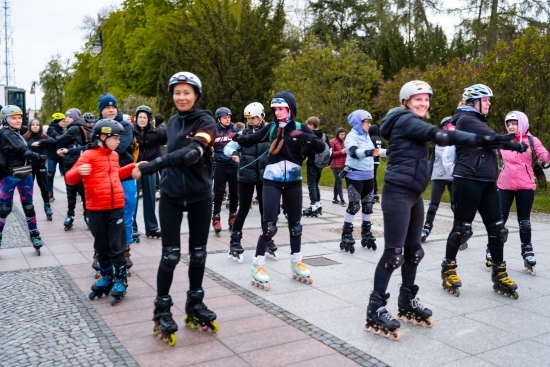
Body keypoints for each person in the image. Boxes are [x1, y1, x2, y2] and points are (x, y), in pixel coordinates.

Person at [366, 80, 518, 340]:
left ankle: (406, 300)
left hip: (414, 195)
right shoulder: (405, 120)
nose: (423, 103)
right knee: (394, 254)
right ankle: (376, 307)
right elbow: (443, 136)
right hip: (397, 194)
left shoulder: (409, 122)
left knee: (414, 252)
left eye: (426, 99)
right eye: (418, 99)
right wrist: (487, 139)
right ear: (406, 101)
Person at [132, 71, 218, 346]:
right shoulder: (171, 122)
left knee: (198, 253)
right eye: (177, 92)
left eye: (187, 92)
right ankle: (162, 310)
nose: (181, 97)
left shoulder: (206, 121)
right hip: (170, 195)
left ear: (196, 95)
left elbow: (193, 154)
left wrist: (152, 165)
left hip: (199, 195)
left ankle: (194, 303)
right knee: (170, 255)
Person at [440, 84, 527, 300]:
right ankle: (448, 269)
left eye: (489, 99)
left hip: (487, 180)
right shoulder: (466, 119)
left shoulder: (476, 120)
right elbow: (491, 139)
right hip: (467, 179)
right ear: (473, 102)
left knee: (498, 230)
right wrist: (517, 145)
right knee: (462, 229)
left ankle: (499, 272)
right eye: (485, 99)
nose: (489, 103)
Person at [232, 91, 325, 290]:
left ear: (290, 108)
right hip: (271, 181)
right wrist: (236, 137)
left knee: (296, 225)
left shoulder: (299, 128)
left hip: (293, 181)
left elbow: (320, 146)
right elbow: (251, 139)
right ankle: (257, 265)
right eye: (275, 109)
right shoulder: (272, 128)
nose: (278, 112)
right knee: (269, 226)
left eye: (281, 108)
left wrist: (302, 136)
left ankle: (297, 261)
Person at [65, 119, 136, 306]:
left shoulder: (113, 156)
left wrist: (132, 168)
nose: (119, 141)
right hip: (96, 209)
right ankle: (107, 276)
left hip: (115, 208)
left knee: (117, 246)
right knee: (102, 246)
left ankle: (121, 279)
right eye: (115, 137)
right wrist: (79, 170)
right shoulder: (87, 155)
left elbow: (117, 175)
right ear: (102, 137)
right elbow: (69, 178)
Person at [497, 111, 550, 276]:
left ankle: (527, 251)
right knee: (499, 221)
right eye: (509, 124)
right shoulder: (503, 141)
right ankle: (493, 249)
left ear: (522, 124)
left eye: (515, 123)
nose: (511, 126)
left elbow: (545, 157)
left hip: (525, 185)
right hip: (504, 185)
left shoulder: (532, 141)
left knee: (524, 222)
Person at [223, 102, 276, 263]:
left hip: (264, 176)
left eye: (253, 118)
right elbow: (227, 148)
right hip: (246, 176)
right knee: (243, 208)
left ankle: (267, 239)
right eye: (248, 118)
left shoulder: (269, 133)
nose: (250, 121)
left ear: (262, 117)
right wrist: (233, 153)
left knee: (265, 210)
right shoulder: (242, 134)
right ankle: (235, 240)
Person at [0, 105, 47, 253]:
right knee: (4, 209)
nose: (17, 120)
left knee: (28, 206)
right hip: (10, 176)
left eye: (19, 117)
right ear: (5, 120)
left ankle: (34, 234)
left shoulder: (17, 132)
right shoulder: (6, 133)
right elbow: (23, 151)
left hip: (25, 174)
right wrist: (39, 156)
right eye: (13, 118)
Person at [98, 94, 136, 271]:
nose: (111, 109)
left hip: (125, 174)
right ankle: (101, 252)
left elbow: (119, 147)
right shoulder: (97, 127)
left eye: (113, 107)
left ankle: (125, 250)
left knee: (126, 215)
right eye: (107, 107)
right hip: (103, 177)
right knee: (104, 216)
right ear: (101, 110)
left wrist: (99, 145)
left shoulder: (126, 126)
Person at [339, 110, 384, 254]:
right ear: (359, 123)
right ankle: (346, 233)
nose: (369, 125)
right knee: (354, 206)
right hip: (355, 175)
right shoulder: (352, 136)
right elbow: (353, 151)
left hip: (369, 174)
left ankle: (366, 232)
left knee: (368, 206)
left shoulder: (367, 137)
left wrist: (392, 151)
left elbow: (376, 151)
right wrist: (369, 153)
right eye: (367, 122)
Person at [132, 105, 166, 239]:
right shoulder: (131, 131)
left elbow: (168, 139)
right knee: (133, 198)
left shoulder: (156, 132)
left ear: (149, 119)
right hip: (134, 168)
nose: (142, 119)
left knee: (150, 198)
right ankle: (132, 227)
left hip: (150, 167)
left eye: (144, 117)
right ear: (136, 118)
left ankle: (152, 227)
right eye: (140, 117)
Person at [421, 117, 456, 243]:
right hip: (440, 176)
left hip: (453, 177)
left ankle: (458, 231)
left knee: (455, 206)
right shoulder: (441, 141)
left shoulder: (458, 140)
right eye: (452, 125)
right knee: (433, 205)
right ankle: (426, 228)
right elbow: (445, 158)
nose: (455, 127)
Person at [54, 108, 90, 230]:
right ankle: (87, 215)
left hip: (73, 165)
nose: (66, 119)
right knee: (83, 192)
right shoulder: (81, 127)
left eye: (68, 117)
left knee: (72, 193)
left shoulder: (74, 128)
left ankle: (71, 215)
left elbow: (58, 140)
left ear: (74, 118)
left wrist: (53, 131)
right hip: (79, 165)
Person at [211, 107, 240, 236]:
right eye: (224, 117)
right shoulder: (213, 130)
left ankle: (233, 216)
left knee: (235, 194)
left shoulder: (235, 130)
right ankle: (216, 218)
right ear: (219, 119)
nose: (227, 119)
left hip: (234, 167)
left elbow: (243, 144)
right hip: (220, 166)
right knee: (218, 194)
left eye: (229, 117)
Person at [24, 119, 57, 220]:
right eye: (33, 125)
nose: (35, 126)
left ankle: (47, 206)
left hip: (41, 165)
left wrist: (41, 141)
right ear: (30, 126)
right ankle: (29, 208)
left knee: (44, 187)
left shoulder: (43, 136)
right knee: (28, 188)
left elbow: (53, 141)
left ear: (40, 127)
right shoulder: (25, 137)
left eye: (37, 125)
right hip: (29, 166)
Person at [302, 116, 328, 217]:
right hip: (321, 163)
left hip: (312, 162)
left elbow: (305, 151)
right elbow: (329, 149)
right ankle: (318, 204)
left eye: (308, 125)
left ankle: (313, 205)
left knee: (311, 185)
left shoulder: (310, 136)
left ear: (312, 125)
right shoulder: (324, 135)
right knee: (316, 184)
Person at [46, 112, 66, 201]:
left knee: (66, 174)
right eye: (62, 121)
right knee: (50, 174)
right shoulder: (51, 129)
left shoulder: (62, 129)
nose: (64, 123)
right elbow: (58, 139)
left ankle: (70, 192)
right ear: (58, 121)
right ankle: (50, 193)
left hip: (61, 154)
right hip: (52, 155)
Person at [329, 127, 346, 205]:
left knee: (337, 181)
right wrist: (341, 152)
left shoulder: (344, 142)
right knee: (339, 182)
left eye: (344, 134)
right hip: (335, 165)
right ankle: (342, 199)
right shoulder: (332, 142)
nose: (342, 136)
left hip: (343, 164)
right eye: (341, 134)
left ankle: (335, 198)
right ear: (337, 134)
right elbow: (331, 154)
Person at [368, 124, 382, 203]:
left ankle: (372, 194)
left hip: (372, 160)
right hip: (377, 160)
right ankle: (375, 193)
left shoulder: (371, 138)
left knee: (371, 177)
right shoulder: (378, 138)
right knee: (374, 177)